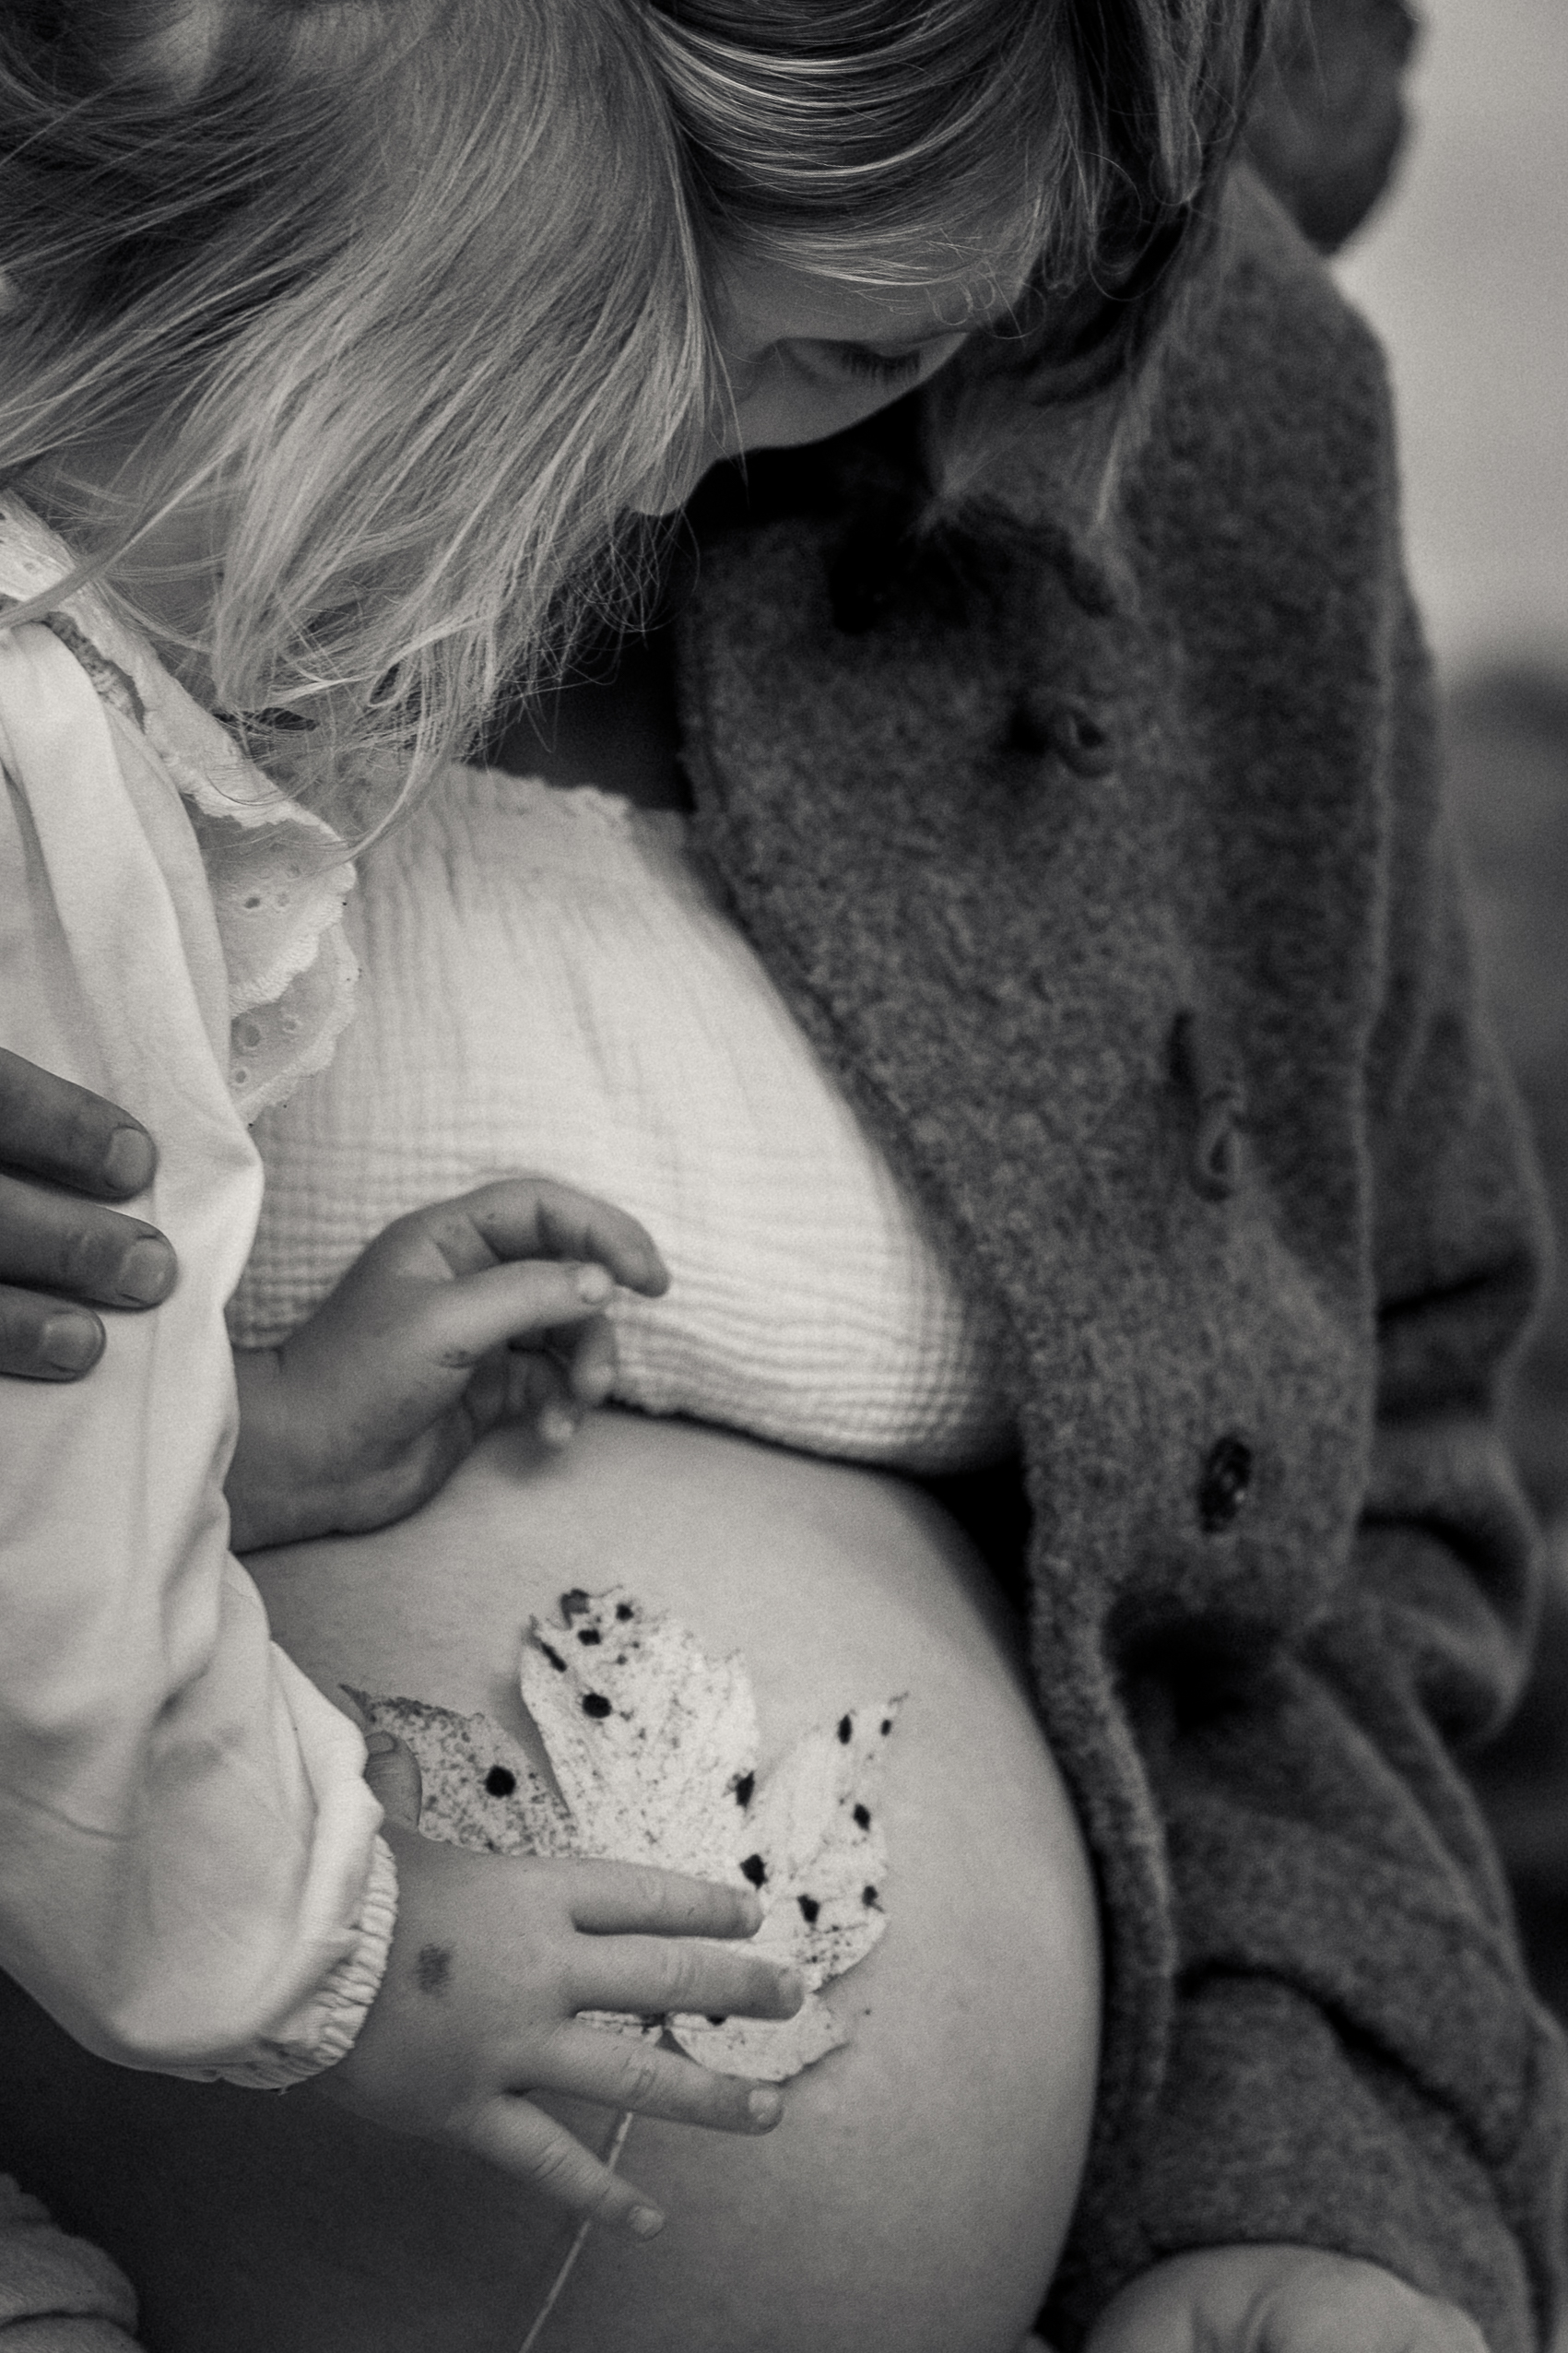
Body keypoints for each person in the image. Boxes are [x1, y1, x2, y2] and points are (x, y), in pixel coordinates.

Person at [0, 3, 1562, 2352]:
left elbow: (1364, 1500)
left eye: (845, 339)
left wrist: (1315, 2194)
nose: (635, 470)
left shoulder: (1225, 427)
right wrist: (346, 1945)